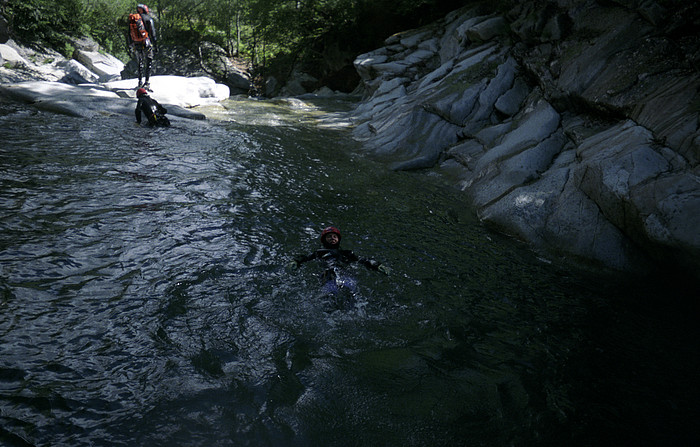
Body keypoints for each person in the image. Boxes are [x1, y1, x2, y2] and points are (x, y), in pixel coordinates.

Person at [288, 226, 390, 296]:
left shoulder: (347, 253)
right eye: (329, 236)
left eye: (334, 236)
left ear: (338, 239)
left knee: (350, 293)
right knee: (329, 295)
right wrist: (296, 261)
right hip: (328, 276)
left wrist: (377, 265)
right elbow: (305, 257)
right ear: (324, 240)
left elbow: (362, 260)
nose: (332, 238)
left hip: (345, 275)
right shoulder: (319, 253)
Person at [127, 4, 157, 90]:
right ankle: (146, 82)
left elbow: (129, 34)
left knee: (140, 63)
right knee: (149, 62)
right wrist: (155, 46)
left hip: (137, 44)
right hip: (146, 43)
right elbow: (153, 34)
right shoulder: (148, 19)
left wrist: (130, 44)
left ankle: (139, 82)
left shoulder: (133, 20)